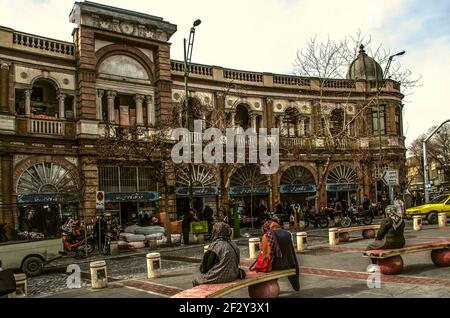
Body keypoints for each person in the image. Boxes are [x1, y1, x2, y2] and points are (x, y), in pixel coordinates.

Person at [192, 222, 240, 286]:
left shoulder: (216, 246)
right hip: (234, 274)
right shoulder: (233, 244)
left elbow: (205, 267)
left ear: (216, 232)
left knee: (197, 275)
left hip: (220, 277)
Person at [259, 220, 300, 291]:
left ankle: (267, 291)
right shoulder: (288, 233)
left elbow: (266, 254)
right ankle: (296, 286)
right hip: (290, 263)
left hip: (276, 266)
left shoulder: (267, 235)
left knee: (263, 270)